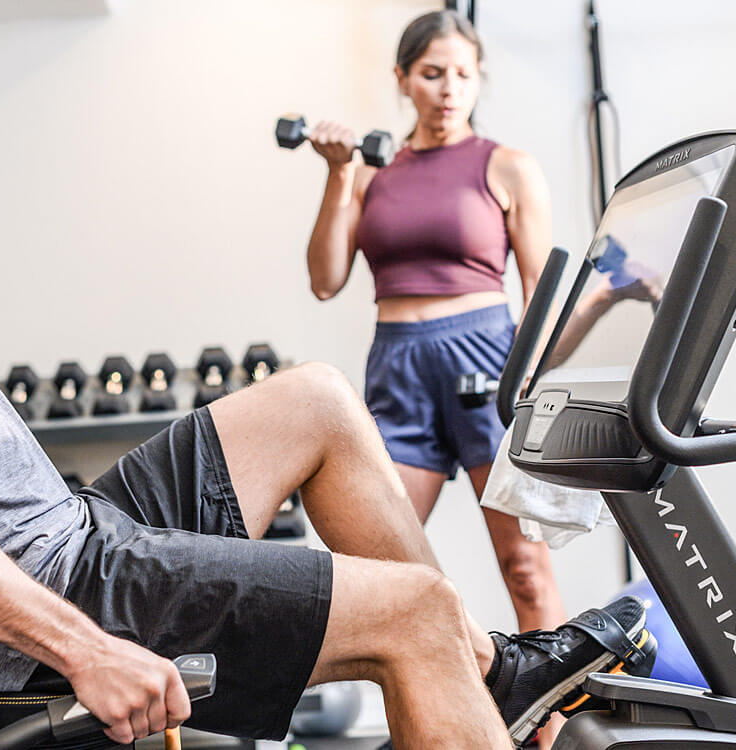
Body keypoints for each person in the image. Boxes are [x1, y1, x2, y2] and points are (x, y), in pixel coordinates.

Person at [0, 2, 652, 747]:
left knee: (319, 399)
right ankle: (468, 659)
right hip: (68, 582)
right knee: (420, 611)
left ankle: (483, 668)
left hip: (80, 532)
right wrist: (88, 652)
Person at [304, 10, 567, 640]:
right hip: (399, 368)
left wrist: (535, 385)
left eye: (463, 75)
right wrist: (338, 173)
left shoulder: (507, 166)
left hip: (489, 363)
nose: (449, 89)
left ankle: (552, 732)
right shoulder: (371, 172)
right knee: (383, 575)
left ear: (478, 81)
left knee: (525, 568)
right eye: (431, 74)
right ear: (402, 79)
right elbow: (325, 278)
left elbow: (539, 291)